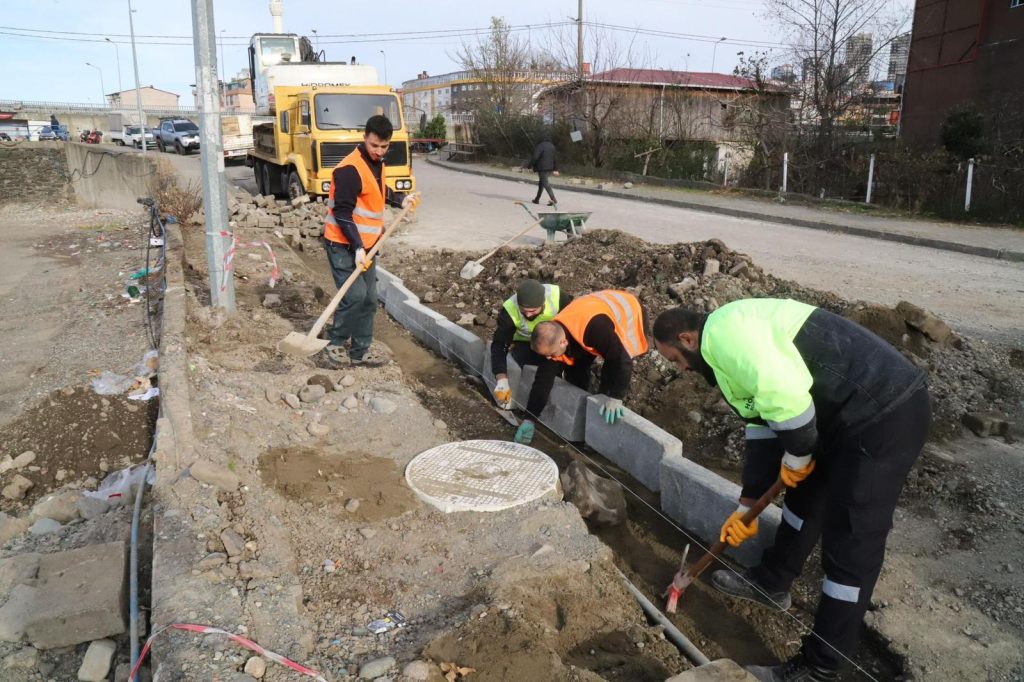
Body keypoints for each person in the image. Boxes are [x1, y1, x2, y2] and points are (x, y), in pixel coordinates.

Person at [652, 299, 930, 682]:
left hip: (882, 411)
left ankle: (820, 667)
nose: (681, 369)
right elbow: (762, 425)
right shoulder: (721, 350)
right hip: (835, 415)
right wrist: (747, 504)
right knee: (804, 499)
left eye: (674, 360)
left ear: (687, 339)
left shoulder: (728, 337)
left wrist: (797, 454)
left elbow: (787, 400)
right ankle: (772, 583)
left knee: (850, 544)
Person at [321, 114, 419, 368]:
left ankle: (360, 351)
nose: (379, 151)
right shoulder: (349, 169)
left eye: (384, 146)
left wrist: (401, 199)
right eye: (374, 145)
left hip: (368, 246)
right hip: (342, 244)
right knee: (355, 295)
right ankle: (334, 343)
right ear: (364, 138)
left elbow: (377, 191)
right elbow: (342, 212)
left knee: (369, 299)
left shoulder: (376, 163)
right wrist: (356, 248)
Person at [521, 290, 648, 445]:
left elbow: (621, 360)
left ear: (563, 342)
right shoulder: (552, 338)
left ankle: (601, 427)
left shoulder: (597, 330)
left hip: (628, 312)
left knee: (614, 365)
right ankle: (584, 411)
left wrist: (615, 397)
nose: (549, 358)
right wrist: (530, 418)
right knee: (575, 368)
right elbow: (543, 380)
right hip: (592, 314)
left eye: (551, 354)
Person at [490, 278, 572, 411]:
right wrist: (501, 379)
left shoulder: (559, 299)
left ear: (543, 303)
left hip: (553, 342)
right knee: (523, 359)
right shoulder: (510, 310)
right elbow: (499, 344)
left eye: (533, 311)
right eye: (523, 310)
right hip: (526, 343)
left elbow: (571, 327)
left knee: (557, 366)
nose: (528, 315)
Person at [528, 133, 559, 207]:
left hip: (542, 167)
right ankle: (537, 199)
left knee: (545, 183)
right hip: (549, 167)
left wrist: (530, 166)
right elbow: (554, 158)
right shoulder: (552, 146)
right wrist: (555, 169)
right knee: (541, 183)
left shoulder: (540, 146)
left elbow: (535, 157)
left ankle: (553, 199)